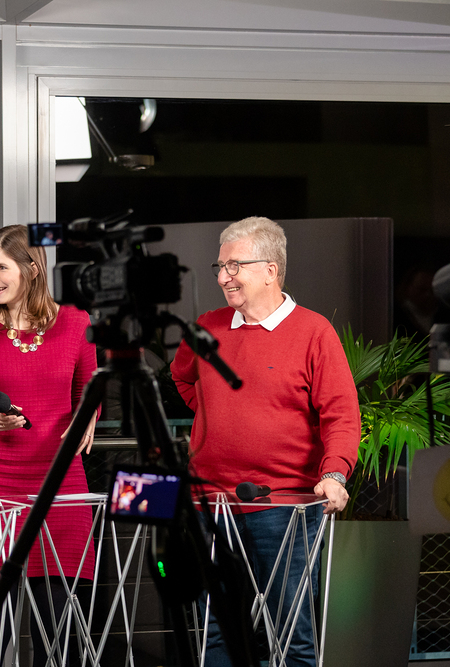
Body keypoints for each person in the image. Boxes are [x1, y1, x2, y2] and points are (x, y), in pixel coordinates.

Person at [170, 216, 360, 667]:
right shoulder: (206, 327)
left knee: (292, 636)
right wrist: (215, 415)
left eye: (234, 265)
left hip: (285, 508)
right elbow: (182, 378)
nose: (223, 277)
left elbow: (341, 414)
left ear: (271, 269)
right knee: (216, 634)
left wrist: (334, 474)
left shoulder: (314, 332)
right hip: (211, 506)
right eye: (220, 266)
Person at [0, 224, 98, 666]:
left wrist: (88, 415)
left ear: (31, 269)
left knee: (64, 633)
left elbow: (90, 392)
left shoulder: (76, 322)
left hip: (61, 488)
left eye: (0, 267)